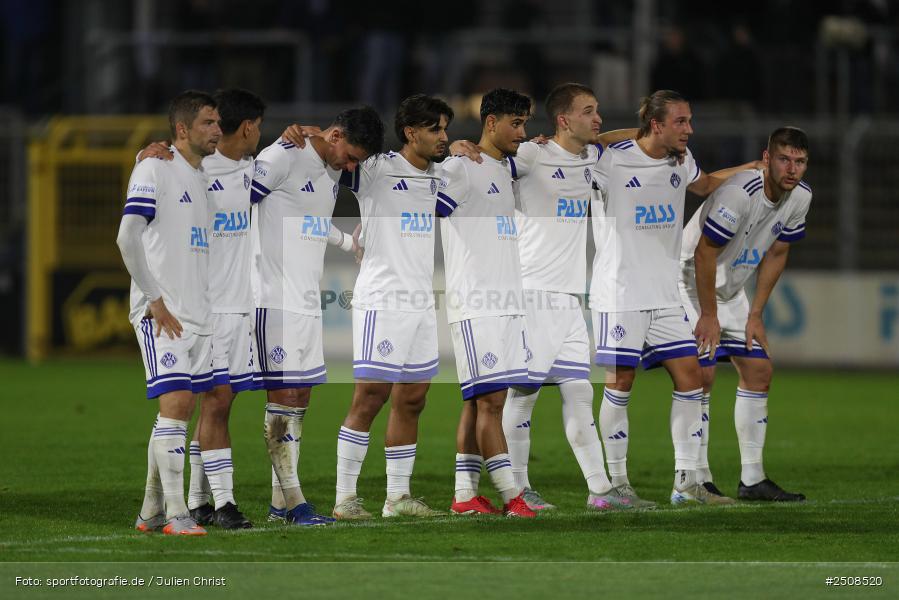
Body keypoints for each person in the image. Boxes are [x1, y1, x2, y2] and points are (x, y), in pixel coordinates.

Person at [590, 89, 759, 506]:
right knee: (620, 384)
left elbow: (704, 185)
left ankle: (686, 482)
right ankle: (616, 486)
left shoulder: (680, 161)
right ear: (655, 125)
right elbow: (585, 143)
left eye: (689, 120)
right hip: (620, 294)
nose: (690, 129)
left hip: (665, 295)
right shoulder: (610, 159)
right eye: (681, 121)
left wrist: (751, 168)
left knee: (692, 378)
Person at [495, 83, 641, 511]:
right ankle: (518, 491)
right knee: (523, 395)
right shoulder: (533, 155)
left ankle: (600, 490)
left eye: (597, 111)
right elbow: (489, 162)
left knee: (580, 394)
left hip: (570, 300)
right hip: (533, 294)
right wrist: (467, 146)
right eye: (588, 111)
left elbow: (629, 138)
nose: (598, 119)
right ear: (563, 120)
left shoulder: (591, 158)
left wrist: (652, 132)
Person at [251, 106, 384, 525]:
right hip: (271, 297)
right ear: (336, 134)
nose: (351, 167)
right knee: (284, 398)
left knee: (300, 398)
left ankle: (279, 506)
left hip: (305, 299)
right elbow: (233, 201)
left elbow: (309, 221)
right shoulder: (284, 154)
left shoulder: (328, 168)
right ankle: (295, 503)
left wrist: (348, 242)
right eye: (350, 157)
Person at [329, 95, 454, 520]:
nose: (444, 137)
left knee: (414, 398)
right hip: (382, 300)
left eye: (446, 129)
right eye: (435, 129)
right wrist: (301, 133)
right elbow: (322, 159)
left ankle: (397, 499)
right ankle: (345, 498)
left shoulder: (442, 175)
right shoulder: (376, 170)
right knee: (370, 396)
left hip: (420, 302)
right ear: (410, 132)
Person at [680, 126, 811, 502]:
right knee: (702, 373)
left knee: (758, 369)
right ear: (767, 158)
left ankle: (753, 480)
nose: (792, 169)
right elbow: (704, 254)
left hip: (730, 288)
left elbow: (778, 252)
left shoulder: (800, 197)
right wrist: (708, 315)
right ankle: (695, 478)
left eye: (800, 161)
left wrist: (756, 313)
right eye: (784, 159)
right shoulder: (739, 193)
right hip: (689, 280)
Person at [117, 90, 221, 535]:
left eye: (219, 123)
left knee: (177, 412)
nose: (217, 129)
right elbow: (127, 237)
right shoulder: (154, 167)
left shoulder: (200, 177)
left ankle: (151, 509)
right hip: (162, 312)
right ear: (182, 130)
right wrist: (154, 299)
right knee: (177, 406)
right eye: (208, 123)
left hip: (195, 313)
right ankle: (177, 514)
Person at [438, 88, 535, 518]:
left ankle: (465, 495)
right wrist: (446, 155)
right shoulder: (460, 166)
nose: (524, 132)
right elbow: (418, 193)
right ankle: (512, 496)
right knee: (492, 402)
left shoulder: (503, 166)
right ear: (490, 122)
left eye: (526, 124)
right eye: (516, 124)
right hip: (476, 303)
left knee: (480, 401)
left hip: (504, 303)